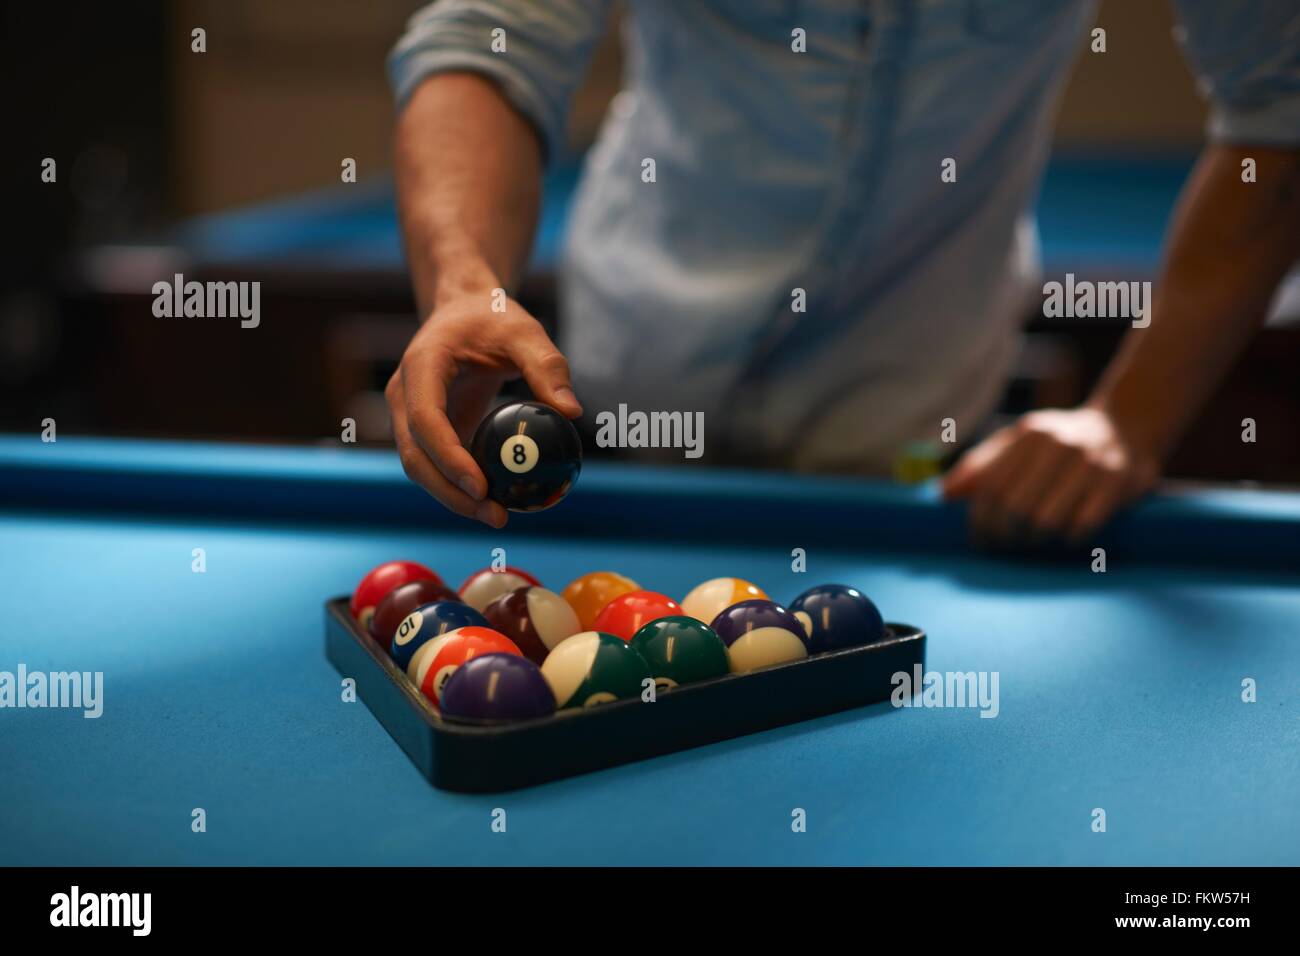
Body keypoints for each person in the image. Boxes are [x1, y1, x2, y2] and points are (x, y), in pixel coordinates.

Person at [384, 0, 1300, 538]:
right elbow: (488, 34)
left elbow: (1282, 101)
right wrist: (465, 283)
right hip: (614, 431)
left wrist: (1128, 421)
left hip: (917, 462)